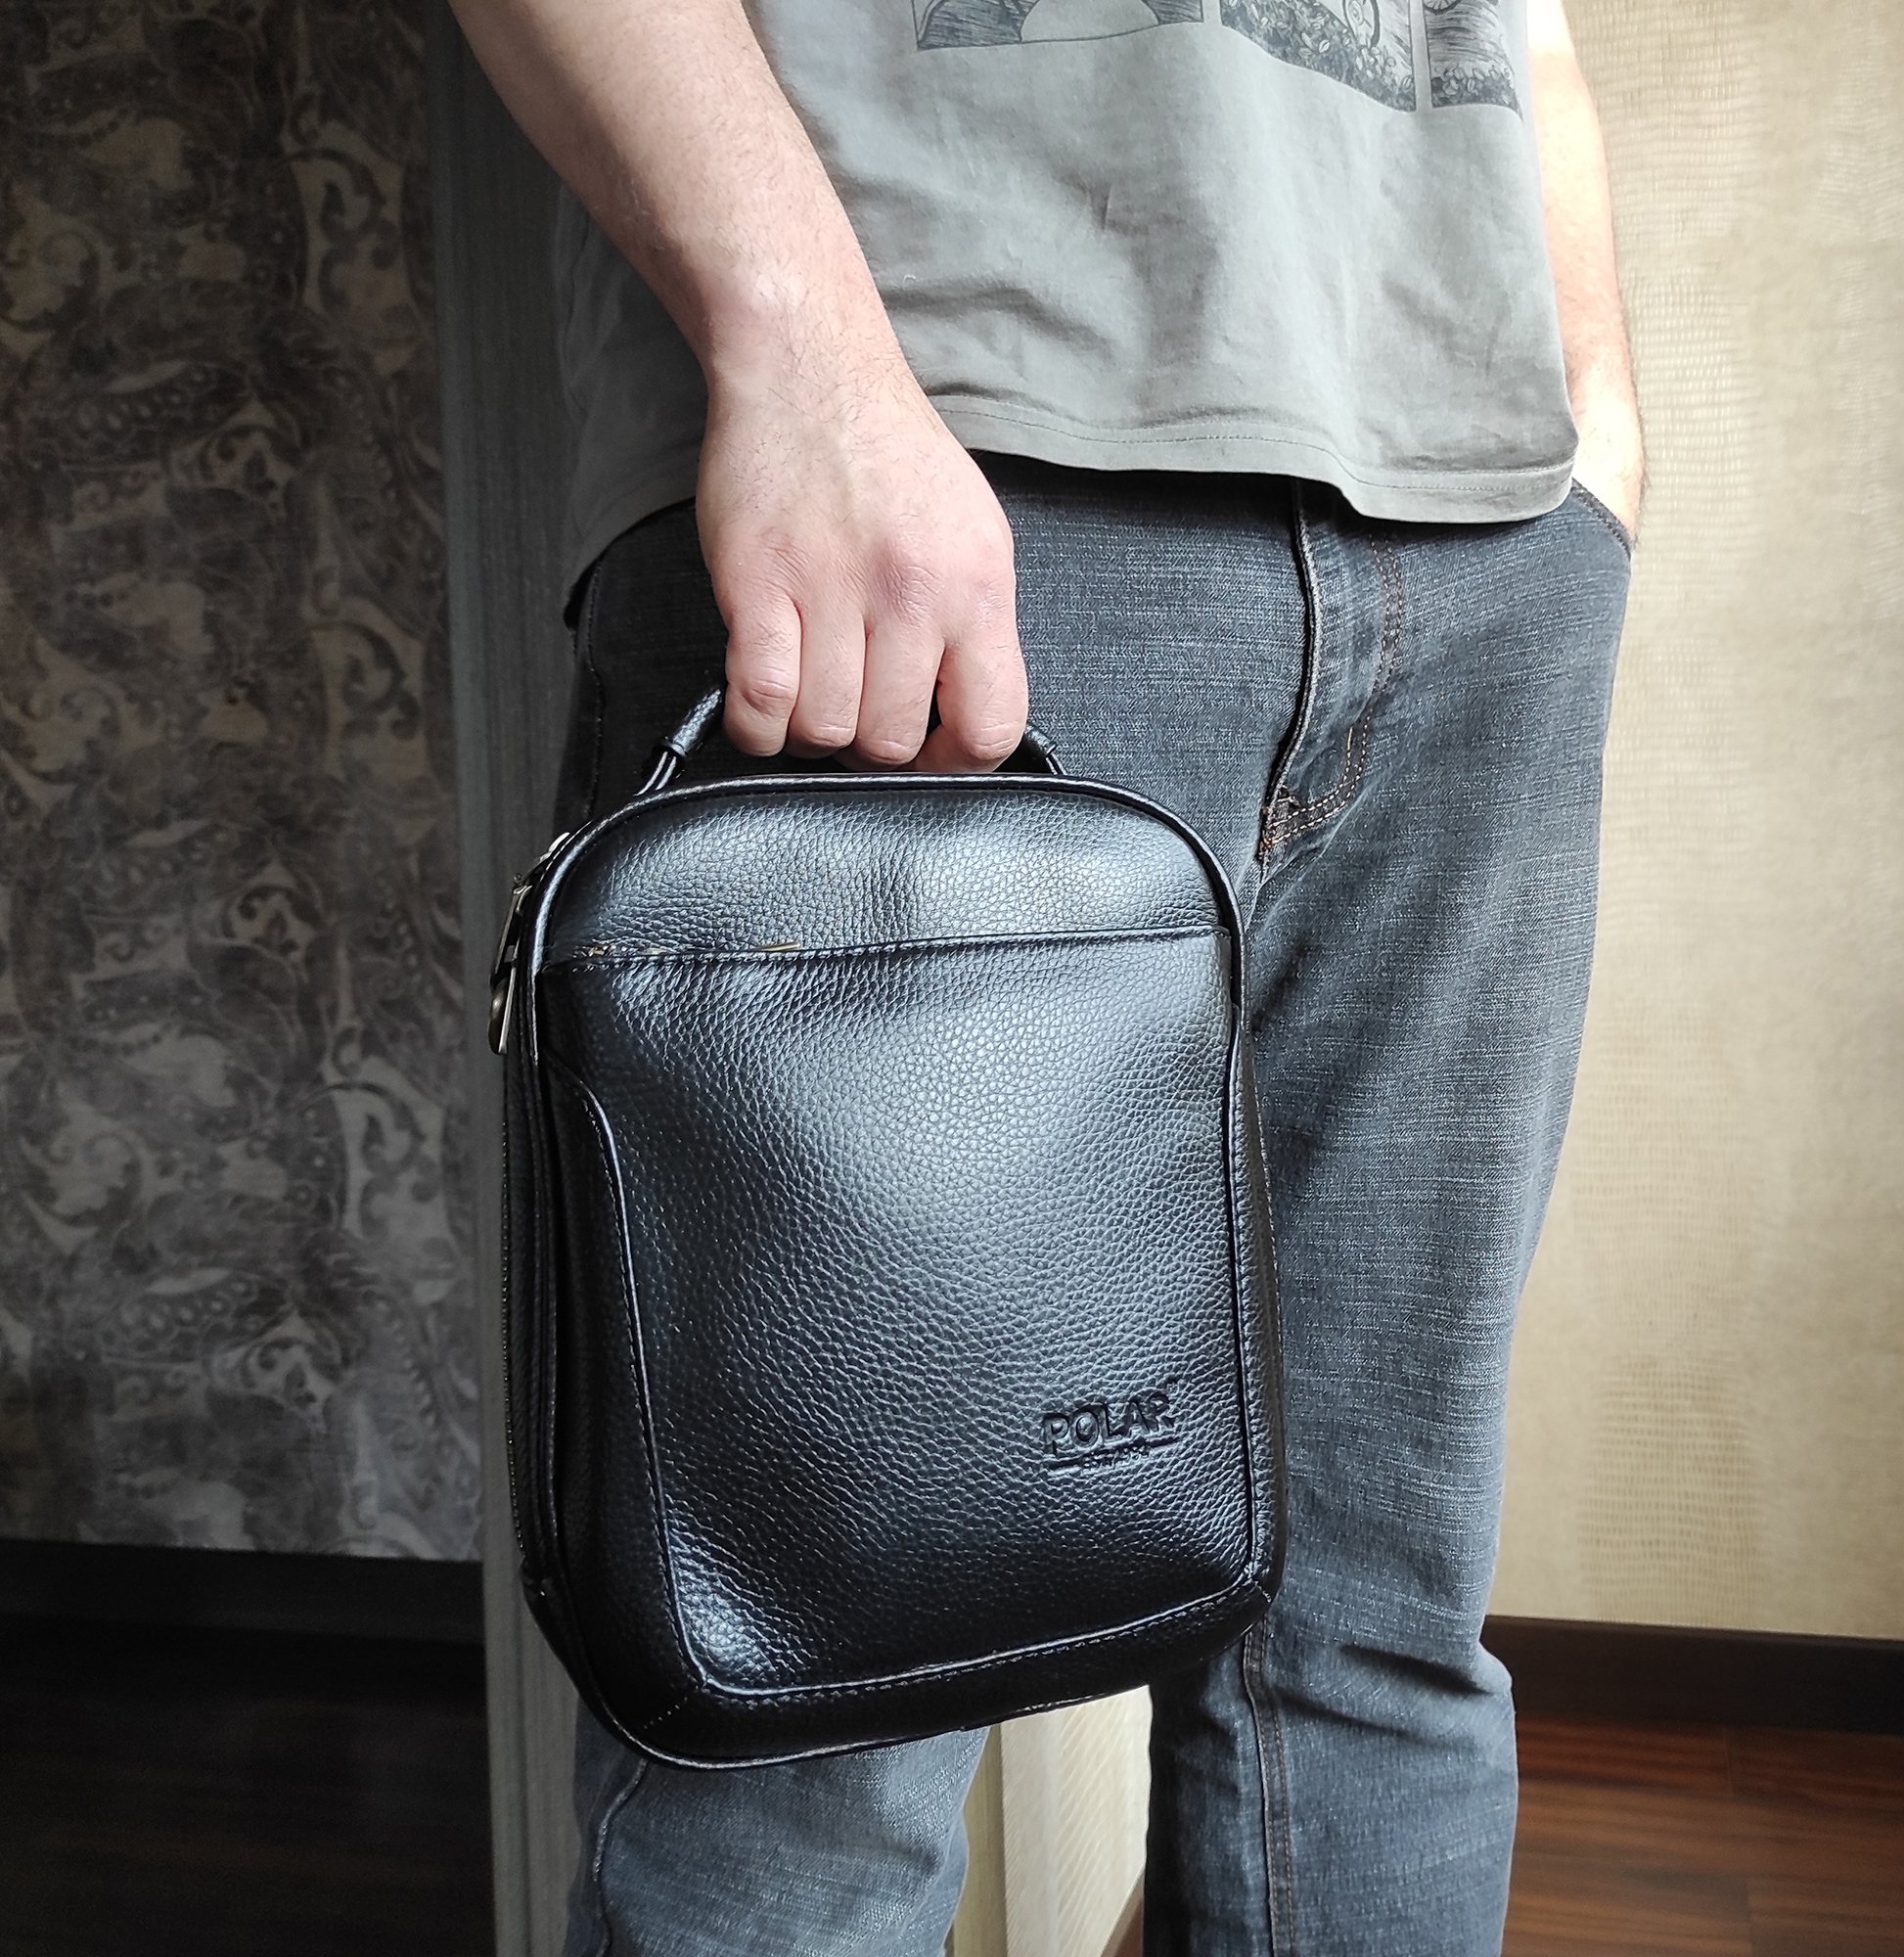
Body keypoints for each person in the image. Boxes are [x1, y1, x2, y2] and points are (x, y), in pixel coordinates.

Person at [449, 0, 1642, 1948]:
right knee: (802, 1718)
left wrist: (1597, 435)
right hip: (922, 496)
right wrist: (807, 360)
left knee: (1381, 1644)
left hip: (1487, 532)